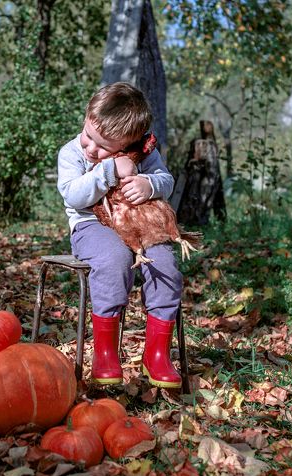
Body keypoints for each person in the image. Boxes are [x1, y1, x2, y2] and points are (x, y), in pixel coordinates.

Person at [56, 82, 183, 389]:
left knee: (165, 264)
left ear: (130, 141)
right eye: (89, 136)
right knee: (114, 258)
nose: (91, 148)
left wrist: (148, 185)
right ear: (87, 117)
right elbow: (74, 196)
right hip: (90, 227)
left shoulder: (142, 153)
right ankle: (105, 352)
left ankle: (156, 355)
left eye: (103, 146)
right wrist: (109, 169)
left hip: (140, 227)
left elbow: (166, 179)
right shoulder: (72, 153)